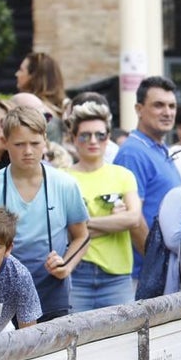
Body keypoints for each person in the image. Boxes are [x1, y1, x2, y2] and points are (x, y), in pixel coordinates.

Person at [0, 106, 89, 321]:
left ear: (45, 140)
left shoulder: (65, 184)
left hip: (52, 288)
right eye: (19, 144)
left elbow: (81, 235)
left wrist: (66, 265)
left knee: (54, 355)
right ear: (6, 143)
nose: (28, 151)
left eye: (35, 143)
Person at [65, 101, 141, 311]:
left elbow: (133, 219)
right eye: (84, 135)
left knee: (121, 341)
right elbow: (63, 232)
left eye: (100, 135)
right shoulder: (63, 179)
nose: (93, 141)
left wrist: (82, 226)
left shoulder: (122, 175)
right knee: (74, 341)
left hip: (117, 277)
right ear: (73, 138)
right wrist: (114, 222)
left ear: (108, 137)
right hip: (75, 274)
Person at [113, 76, 181, 268]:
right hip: (145, 273)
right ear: (139, 109)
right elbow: (134, 219)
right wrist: (156, 264)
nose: (168, 112)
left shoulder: (160, 148)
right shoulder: (133, 153)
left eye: (172, 106)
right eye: (158, 105)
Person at [14, 52, 67, 143]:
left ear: (34, 76)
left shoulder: (27, 106)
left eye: (21, 70)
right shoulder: (61, 110)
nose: (17, 74)